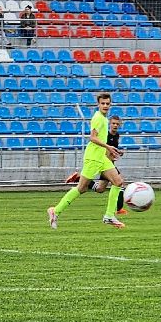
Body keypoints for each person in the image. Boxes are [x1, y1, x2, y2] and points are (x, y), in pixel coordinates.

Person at [48, 91, 126, 230]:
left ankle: (109, 215)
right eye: (103, 103)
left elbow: (101, 139)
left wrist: (112, 149)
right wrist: (108, 146)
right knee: (81, 188)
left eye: (108, 103)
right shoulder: (97, 118)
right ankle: (56, 211)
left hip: (101, 157)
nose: (105, 106)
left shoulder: (104, 118)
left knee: (118, 182)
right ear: (98, 104)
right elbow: (93, 138)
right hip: (93, 157)